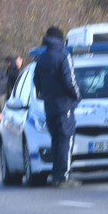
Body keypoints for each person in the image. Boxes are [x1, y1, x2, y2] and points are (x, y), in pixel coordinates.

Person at [33, 26, 82, 188]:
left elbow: (36, 82)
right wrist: (77, 95)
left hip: (50, 106)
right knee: (66, 141)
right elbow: (70, 81)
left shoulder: (42, 57)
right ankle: (64, 176)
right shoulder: (63, 56)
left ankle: (56, 175)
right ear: (61, 39)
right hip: (64, 106)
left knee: (55, 141)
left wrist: (46, 94)